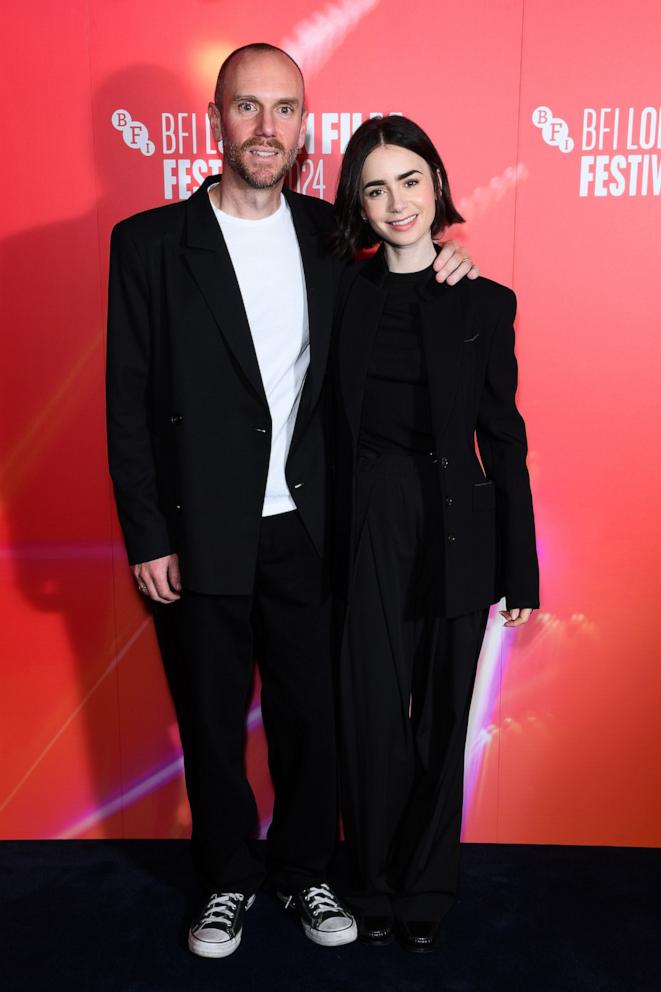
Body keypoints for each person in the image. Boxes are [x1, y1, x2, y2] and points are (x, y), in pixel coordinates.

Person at [106, 44, 477, 959]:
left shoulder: (328, 235)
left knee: (316, 716)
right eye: (247, 107)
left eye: (283, 109)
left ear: (304, 127)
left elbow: (404, 278)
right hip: (200, 532)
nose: (266, 128)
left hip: (315, 531)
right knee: (209, 716)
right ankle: (229, 879)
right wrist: (147, 531)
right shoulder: (149, 242)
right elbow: (127, 397)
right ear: (216, 121)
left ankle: (307, 870)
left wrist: (452, 269)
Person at [330, 115, 539, 953]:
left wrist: (519, 568)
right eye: (375, 187)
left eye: (409, 180)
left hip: (460, 519)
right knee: (370, 710)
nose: (396, 201)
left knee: (441, 715)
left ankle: (427, 880)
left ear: (437, 183)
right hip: (367, 516)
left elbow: (503, 435)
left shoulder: (486, 301)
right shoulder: (338, 288)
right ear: (359, 204)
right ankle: (373, 880)